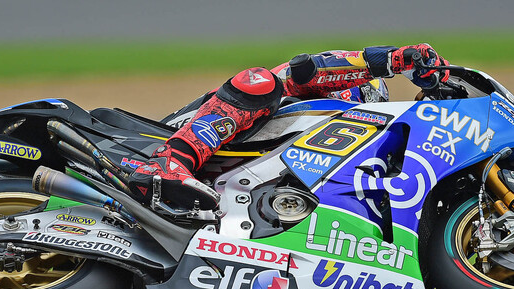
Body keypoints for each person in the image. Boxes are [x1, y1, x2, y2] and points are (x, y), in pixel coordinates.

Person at [129, 43, 449, 210]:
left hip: (226, 187)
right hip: (165, 136)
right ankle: (169, 162)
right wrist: (393, 60)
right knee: (260, 82)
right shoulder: (306, 91)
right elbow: (305, 71)